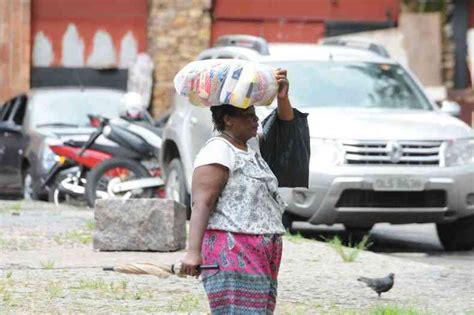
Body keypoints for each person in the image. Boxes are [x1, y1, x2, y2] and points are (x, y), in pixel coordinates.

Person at [181, 69, 294, 314]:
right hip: (232, 249)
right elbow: (202, 203)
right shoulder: (218, 151)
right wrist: (192, 252)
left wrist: (282, 97)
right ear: (228, 120)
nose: (255, 120)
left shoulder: (250, 148)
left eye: (255, 114)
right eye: (248, 115)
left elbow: (287, 133)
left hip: (261, 249)